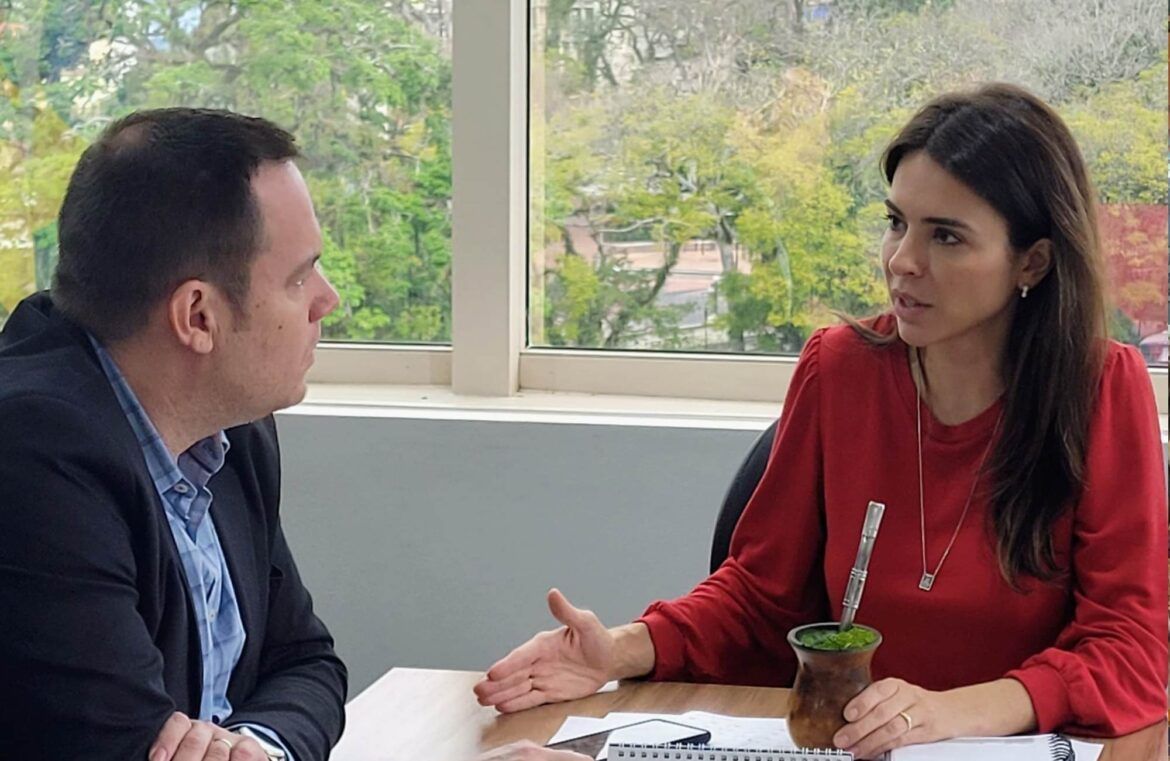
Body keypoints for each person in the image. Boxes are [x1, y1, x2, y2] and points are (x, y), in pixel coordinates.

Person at [474, 83, 1168, 759]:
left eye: (947, 237)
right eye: (896, 222)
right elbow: (759, 599)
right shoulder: (838, 369)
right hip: (844, 746)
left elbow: (1132, 649)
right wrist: (616, 650)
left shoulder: (1101, 389)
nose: (902, 261)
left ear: (1033, 261)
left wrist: (954, 711)